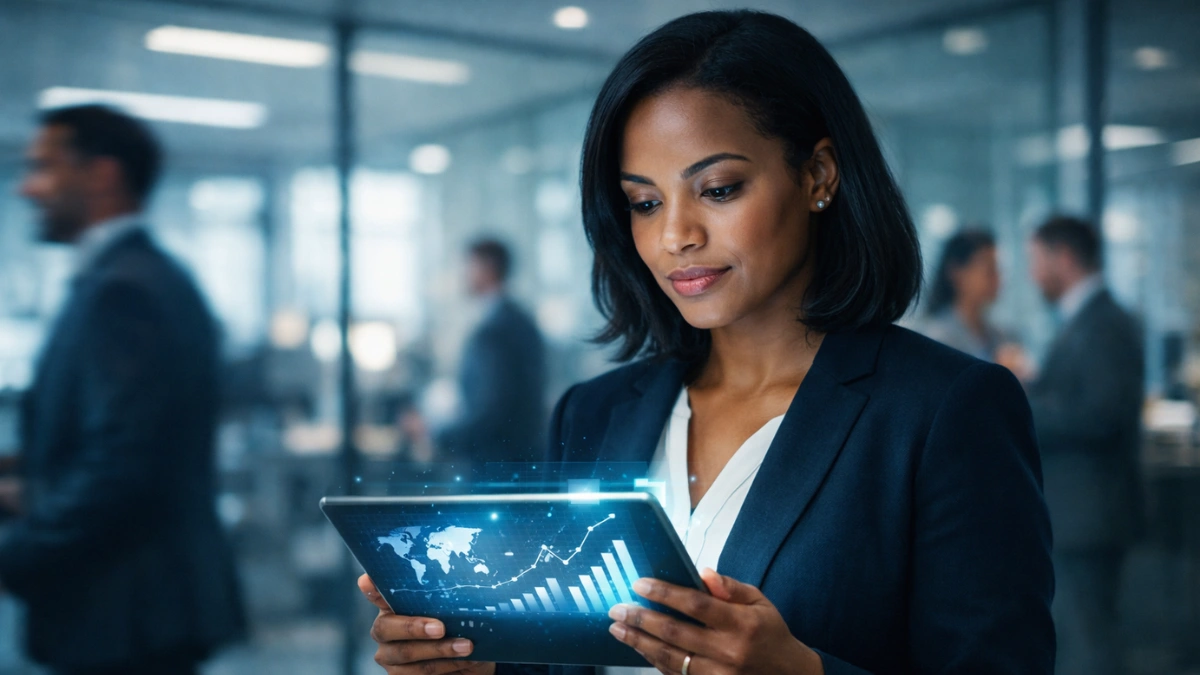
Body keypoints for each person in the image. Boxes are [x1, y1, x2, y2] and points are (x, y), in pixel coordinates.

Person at [360, 10, 1054, 675]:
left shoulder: (943, 411)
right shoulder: (594, 412)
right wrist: (470, 668)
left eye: (718, 189)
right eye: (645, 201)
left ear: (818, 176)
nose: (675, 236)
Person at [1, 105, 245, 674]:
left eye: (43, 167)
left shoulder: (125, 290)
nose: (26, 188)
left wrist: (16, 551)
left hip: (127, 614)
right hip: (135, 610)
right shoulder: (135, 276)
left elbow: (123, 467)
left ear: (101, 174)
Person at [1024, 215, 1144, 675]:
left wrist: (1018, 401)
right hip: (1085, 513)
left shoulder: (1104, 322)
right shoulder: (1088, 319)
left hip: (1088, 515)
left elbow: (1100, 414)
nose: (1033, 273)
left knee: (1088, 642)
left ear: (1064, 257)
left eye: (1037, 259)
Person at [421, 238, 546, 467]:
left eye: (467, 266)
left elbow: (491, 410)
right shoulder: (518, 320)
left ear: (486, 269)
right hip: (517, 458)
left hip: (496, 464)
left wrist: (436, 435)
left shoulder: (496, 331)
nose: (462, 275)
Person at [919, 228, 1010, 361]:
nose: (997, 279)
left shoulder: (1001, 336)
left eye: (998, 270)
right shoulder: (936, 338)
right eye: (989, 270)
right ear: (956, 272)